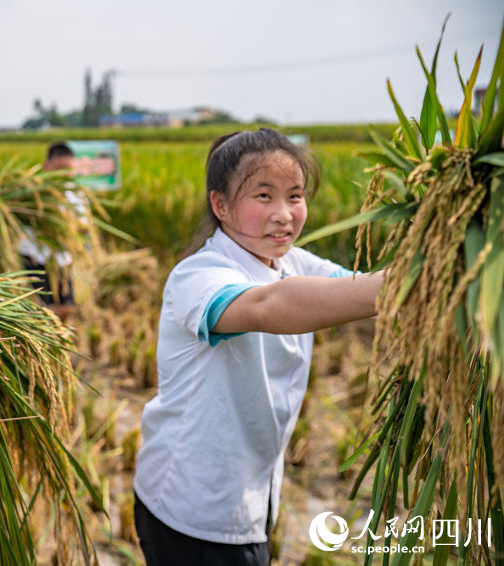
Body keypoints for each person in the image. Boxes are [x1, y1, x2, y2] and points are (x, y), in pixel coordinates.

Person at [132, 129, 384, 566]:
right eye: (264, 196)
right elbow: (268, 307)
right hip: (191, 505)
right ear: (221, 205)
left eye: (295, 196)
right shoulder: (199, 276)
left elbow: (353, 288)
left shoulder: (292, 262)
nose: (284, 214)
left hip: (251, 497)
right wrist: (406, 284)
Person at [18, 142, 85, 319]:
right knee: (41, 309)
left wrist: (66, 226)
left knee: (67, 308)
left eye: (67, 170)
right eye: (58, 169)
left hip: (62, 259)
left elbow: (85, 225)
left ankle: (57, 333)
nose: (62, 175)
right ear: (46, 166)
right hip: (35, 257)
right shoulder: (31, 192)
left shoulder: (75, 195)